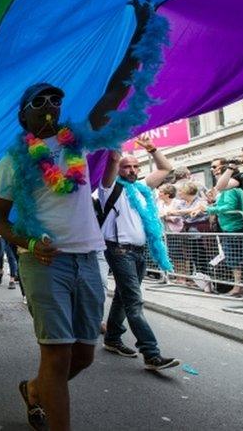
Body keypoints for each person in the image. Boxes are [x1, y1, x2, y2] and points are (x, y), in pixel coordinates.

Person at [0, 0, 163, 431]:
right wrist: (29, 243)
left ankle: (35, 390)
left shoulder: (75, 144)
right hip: (45, 262)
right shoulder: (13, 162)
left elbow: (116, 92)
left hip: (90, 258)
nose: (51, 105)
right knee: (57, 353)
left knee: (84, 354)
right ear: (25, 115)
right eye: (41, 101)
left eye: (55, 100)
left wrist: (138, 38)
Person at [97, 136, 180, 370]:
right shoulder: (109, 188)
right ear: (119, 169)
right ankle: (151, 353)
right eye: (127, 166)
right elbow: (113, 158)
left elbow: (166, 168)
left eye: (135, 166)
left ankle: (112, 338)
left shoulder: (142, 188)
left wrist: (152, 149)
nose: (131, 170)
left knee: (124, 298)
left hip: (139, 253)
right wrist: (117, 135)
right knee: (134, 302)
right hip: (119, 251)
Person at [205, 159, 243, 297]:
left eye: (219, 174)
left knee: (234, 258)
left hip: (233, 227)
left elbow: (229, 207)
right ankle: (240, 286)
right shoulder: (230, 190)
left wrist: (209, 209)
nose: (217, 176)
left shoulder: (231, 190)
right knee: (234, 257)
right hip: (231, 226)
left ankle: (238, 287)